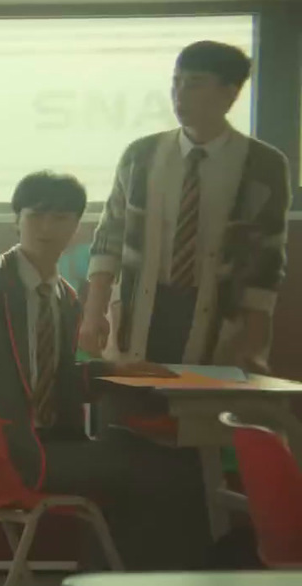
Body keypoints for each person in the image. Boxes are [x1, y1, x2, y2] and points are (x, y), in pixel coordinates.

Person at [0, 171, 211, 572]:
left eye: (60, 218)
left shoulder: (65, 297)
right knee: (161, 470)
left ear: (77, 228)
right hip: (4, 455)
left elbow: (55, 381)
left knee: (158, 462)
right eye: (36, 216)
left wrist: (116, 370)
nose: (46, 228)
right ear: (16, 219)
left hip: (50, 443)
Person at [80, 41, 290, 369]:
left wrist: (254, 345)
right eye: (176, 82)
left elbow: (266, 261)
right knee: (130, 408)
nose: (179, 94)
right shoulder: (142, 155)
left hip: (217, 312)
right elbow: (109, 238)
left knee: (198, 411)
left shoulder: (263, 165)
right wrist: (92, 315)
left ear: (230, 93)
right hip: (140, 306)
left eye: (194, 84)